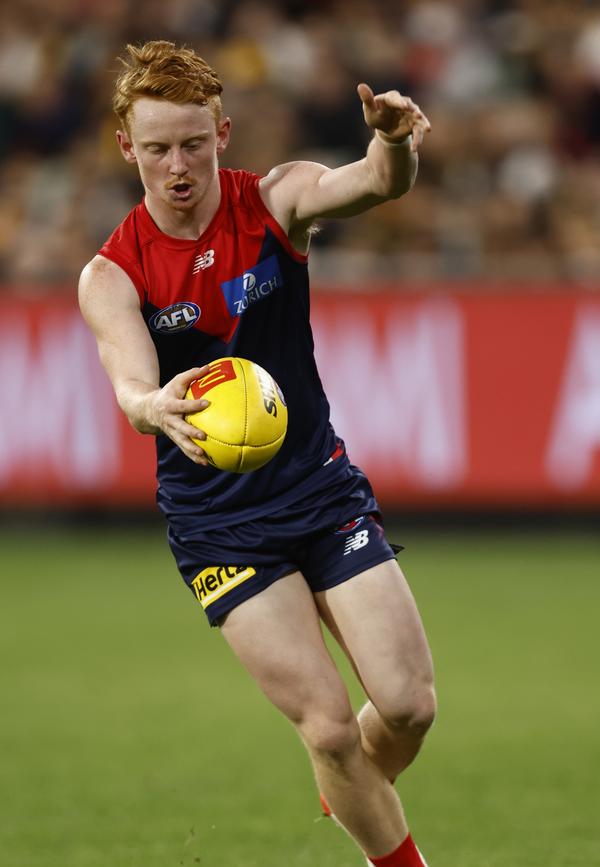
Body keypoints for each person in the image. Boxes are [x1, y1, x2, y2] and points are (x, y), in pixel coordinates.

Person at [79, 40, 436, 867]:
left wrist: (389, 141)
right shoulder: (113, 274)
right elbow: (129, 383)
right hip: (220, 525)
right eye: (159, 148)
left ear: (224, 135)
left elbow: (375, 184)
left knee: (409, 706)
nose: (179, 166)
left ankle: (344, 785)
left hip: (318, 488)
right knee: (326, 724)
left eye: (195, 144)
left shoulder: (274, 201)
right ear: (128, 148)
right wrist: (151, 405)